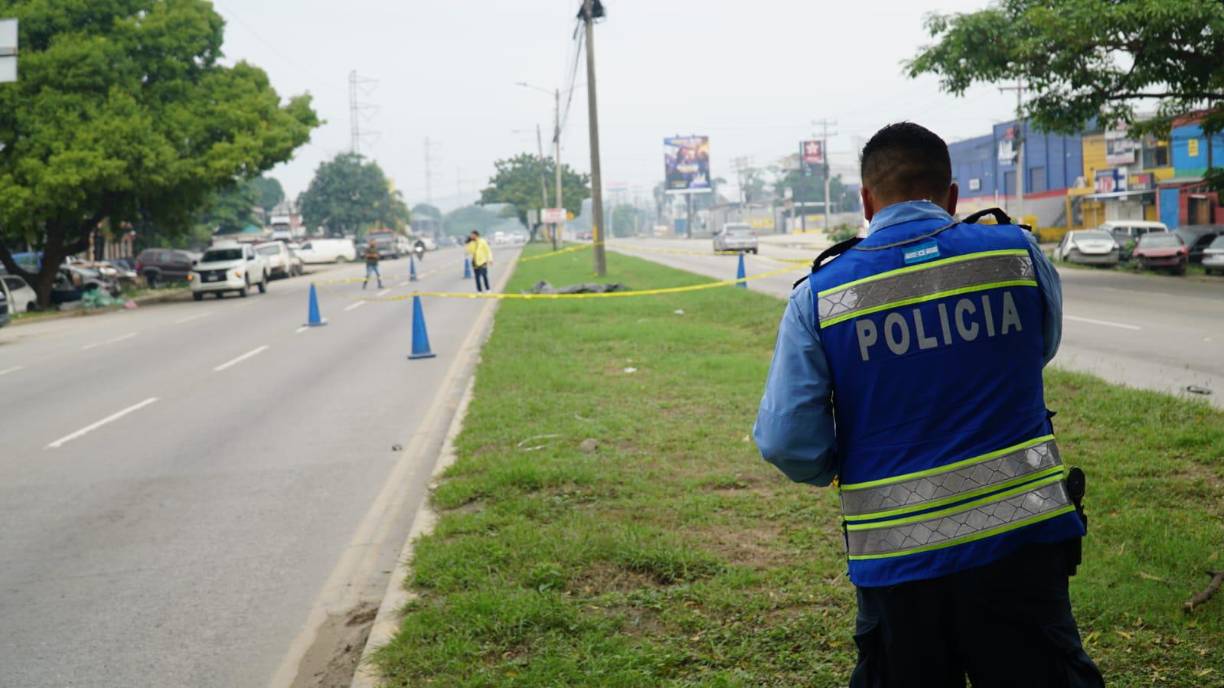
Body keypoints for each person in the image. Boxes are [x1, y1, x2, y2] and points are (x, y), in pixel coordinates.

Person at [754, 122, 1103, 687]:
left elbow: (786, 442)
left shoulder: (819, 297)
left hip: (897, 564)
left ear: (866, 202)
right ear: (952, 195)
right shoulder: (1016, 255)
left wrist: (843, 462)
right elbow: (1039, 348)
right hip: (1022, 547)